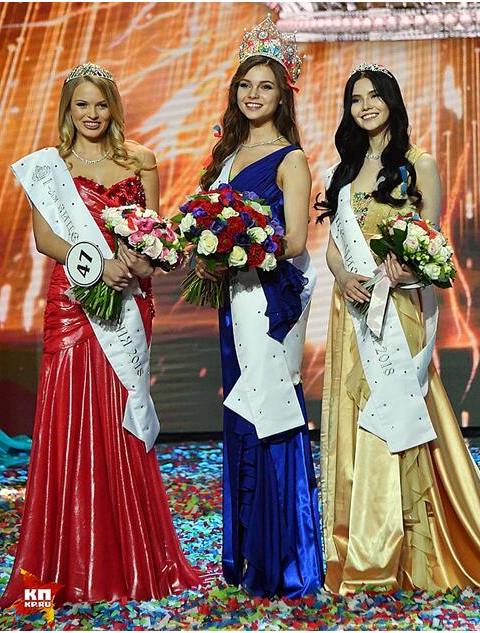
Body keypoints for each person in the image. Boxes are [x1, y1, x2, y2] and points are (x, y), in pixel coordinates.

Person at [318, 62, 480, 595]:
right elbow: (332, 246)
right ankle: (359, 545)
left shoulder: (419, 164)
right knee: (357, 418)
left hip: (397, 308)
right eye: (356, 99)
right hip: (351, 309)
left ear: (392, 101)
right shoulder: (344, 169)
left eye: (374, 96)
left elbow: (433, 242)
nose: (365, 106)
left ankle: (394, 552)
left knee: (396, 410)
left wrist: (404, 272)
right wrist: (344, 275)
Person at [1, 62, 200, 608]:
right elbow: (46, 240)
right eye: (81, 105)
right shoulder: (51, 167)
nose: (92, 114)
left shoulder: (140, 160)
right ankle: (60, 569)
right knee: (69, 419)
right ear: (68, 110)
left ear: (114, 106)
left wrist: (137, 261)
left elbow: (154, 232)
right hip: (73, 303)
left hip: (128, 301)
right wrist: (99, 261)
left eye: (101, 103)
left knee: (121, 416)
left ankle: (133, 562)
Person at [195, 17, 324, 597]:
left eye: (265, 85)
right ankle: (248, 554)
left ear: (282, 95)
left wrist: (239, 245)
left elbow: (294, 241)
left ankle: (286, 560)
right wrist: (207, 252)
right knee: (241, 416)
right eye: (245, 84)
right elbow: (210, 226)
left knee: (271, 413)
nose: (253, 94)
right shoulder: (227, 153)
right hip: (234, 299)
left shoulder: (290, 159)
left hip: (269, 300)